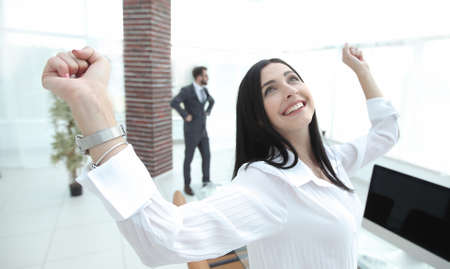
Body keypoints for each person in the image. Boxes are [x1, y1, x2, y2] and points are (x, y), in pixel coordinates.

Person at [41, 44, 399, 269]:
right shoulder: (268, 185)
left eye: (292, 79)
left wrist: (362, 70)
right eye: (271, 89)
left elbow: (386, 133)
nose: (289, 91)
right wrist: (92, 105)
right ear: (258, 115)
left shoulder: (332, 161)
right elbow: (162, 238)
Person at [170, 67, 215, 195]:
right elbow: (174, 102)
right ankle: (187, 185)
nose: (207, 78)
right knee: (188, 158)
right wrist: (185, 115)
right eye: (205, 75)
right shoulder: (187, 90)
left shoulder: (204, 90)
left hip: (203, 131)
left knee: (207, 155)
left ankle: (206, 180)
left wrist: (208, 111)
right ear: (198, 77)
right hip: (191, 131)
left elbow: (212, 101)